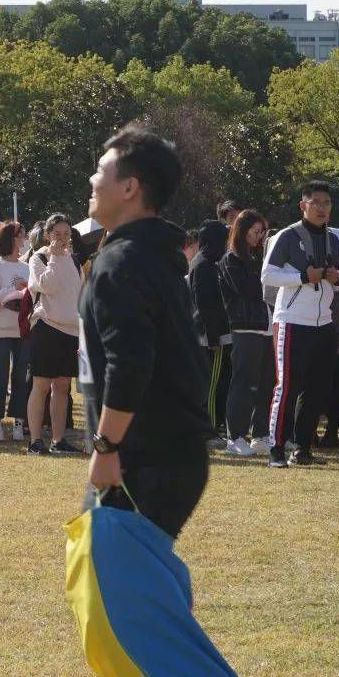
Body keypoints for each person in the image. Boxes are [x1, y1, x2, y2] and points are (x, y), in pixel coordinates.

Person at [80, 123, 212, 539]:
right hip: (159, 454)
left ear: (129, 188)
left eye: (100, 170)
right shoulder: (146, 254)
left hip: (145, 457)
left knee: (120, 588)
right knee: (115, 582)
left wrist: (106, 447)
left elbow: (131, 360)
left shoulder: (123, 261)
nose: (91, 179)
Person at [262, 180, 339, 468]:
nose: (322, 209)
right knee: (287, 386)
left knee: (317, 388)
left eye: (327, 203)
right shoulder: (286, 236)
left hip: (324, 323)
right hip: (292, 321)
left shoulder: (333, 238)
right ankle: (276, 448)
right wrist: (302, 278)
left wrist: (335, 278)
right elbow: (267, 276)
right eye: (316, 203)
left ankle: (303, 447)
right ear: (303, 205)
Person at [26, 213, 84, 457]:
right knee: (41, 385)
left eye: (66, 234)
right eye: (57, 234)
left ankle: (59, 440)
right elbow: (46, 286)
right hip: (46, 327)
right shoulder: (38, 258)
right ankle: (36, 440)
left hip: (70, 329)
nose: (62, 240)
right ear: (48, 235)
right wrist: (55, 258)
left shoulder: (76, 262)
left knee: (62, 387)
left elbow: (78, 296)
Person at [217, 210, 273, 456]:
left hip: (264, 326)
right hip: (244, 326)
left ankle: (260, 434)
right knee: (243, 382)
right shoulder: (231, 260)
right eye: (254, 232)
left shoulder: (254, 257)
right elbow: (245, 289)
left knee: (265, 382)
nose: (258, 237)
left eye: (261, 233)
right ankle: (235, 436)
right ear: (242, 230)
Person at [0, 219, 30, 442]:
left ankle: (19, 422)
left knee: (21, 377)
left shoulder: (27, 267)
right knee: (0, 377)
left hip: (22, 330)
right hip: (0, 330)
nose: (24, 239)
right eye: (21, 235)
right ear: (11, 238)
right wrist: (13, 289)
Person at [187, 220, 232, 435]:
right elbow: (204, 304)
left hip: (208, 332)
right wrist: (213, 336)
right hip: (210, 335)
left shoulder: (204, 262)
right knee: (213, 384)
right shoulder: (204, 264)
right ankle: (210, 427)